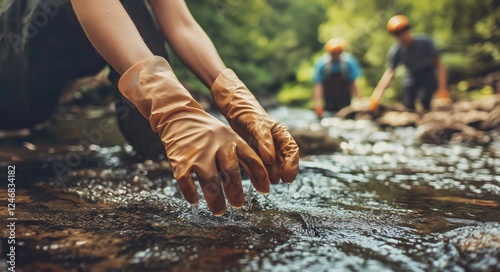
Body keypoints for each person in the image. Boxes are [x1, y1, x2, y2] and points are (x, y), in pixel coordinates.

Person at [0, 0, 299, 216]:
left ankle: (162, 158)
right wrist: (174, 110)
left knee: (140, 17)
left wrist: (239, 101)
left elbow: (182, 26)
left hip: (73, 57)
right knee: (22, 115)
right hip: (21, 48)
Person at [369, 14, 450, 112]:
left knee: (425, 102)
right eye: (398, 34)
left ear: (409, 30)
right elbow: (390, 73)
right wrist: (376, 95)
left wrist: (443, 89)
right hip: (411, 76)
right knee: (408, 106)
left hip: (427, 74)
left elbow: (439, 65)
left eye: (404, 31)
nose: (402, 36)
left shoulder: (424, 42)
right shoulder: (396, 50)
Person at [312, 37, 362, 119]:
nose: (336, 55)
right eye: (333, 53)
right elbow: (318, 86)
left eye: (338, 52)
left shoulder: (348, 63)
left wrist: (358, 101)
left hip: (345, 101)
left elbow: (352, 84)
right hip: (329, 101)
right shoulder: (322, 64)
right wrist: (318, 104)